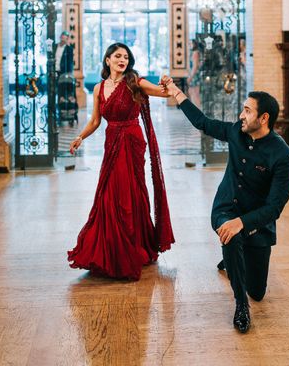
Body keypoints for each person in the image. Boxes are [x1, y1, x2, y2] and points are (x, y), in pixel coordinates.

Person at [163, 78, 289, 334]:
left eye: (247, 110)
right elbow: (203, 123)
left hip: (256, 220)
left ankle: (232, 261)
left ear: (264, 118)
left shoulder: (283, 157)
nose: (241, 115)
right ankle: (240, 305)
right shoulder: (237, 131)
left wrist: (243, 222)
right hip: (226, 208)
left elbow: (275, 208)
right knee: (230, 236)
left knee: (258, 291)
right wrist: (176, 93)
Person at [67, 43, 174, 281]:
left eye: (126, 57)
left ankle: (134, 247)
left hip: (132, 142)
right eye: (117, 56)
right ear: (107, 60)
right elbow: (95, 121)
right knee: (109, 194)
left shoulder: (135, 82)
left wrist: (167, 83)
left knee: (130, 193)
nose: (122, 60)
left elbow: (163, 93)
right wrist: (80, 137)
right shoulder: (98, 88)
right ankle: (109, 250)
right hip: (111, 141)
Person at [55, 31, 78, 125]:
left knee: (65, 93)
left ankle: (67, 113)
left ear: (67, 39)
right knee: (57, 93)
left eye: (65, 38)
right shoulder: (54, 47)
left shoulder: (69, 49)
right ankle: (57, 111)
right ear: (60, 37)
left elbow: (70, 63)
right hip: (54, 73)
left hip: (64, 74)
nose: (63, 39)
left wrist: (68, 75)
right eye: (62, 37)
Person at [187, 39, 202, 107]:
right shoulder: (193, 52)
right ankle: (195, 109)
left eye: (191, 43)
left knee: (195, 93)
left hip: (195, 75)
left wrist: (191, 77)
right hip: (193, 75)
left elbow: (195, 66)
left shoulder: (195, 53)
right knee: (191, 91)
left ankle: (198, 110)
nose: (189, 45)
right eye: (189, 44)